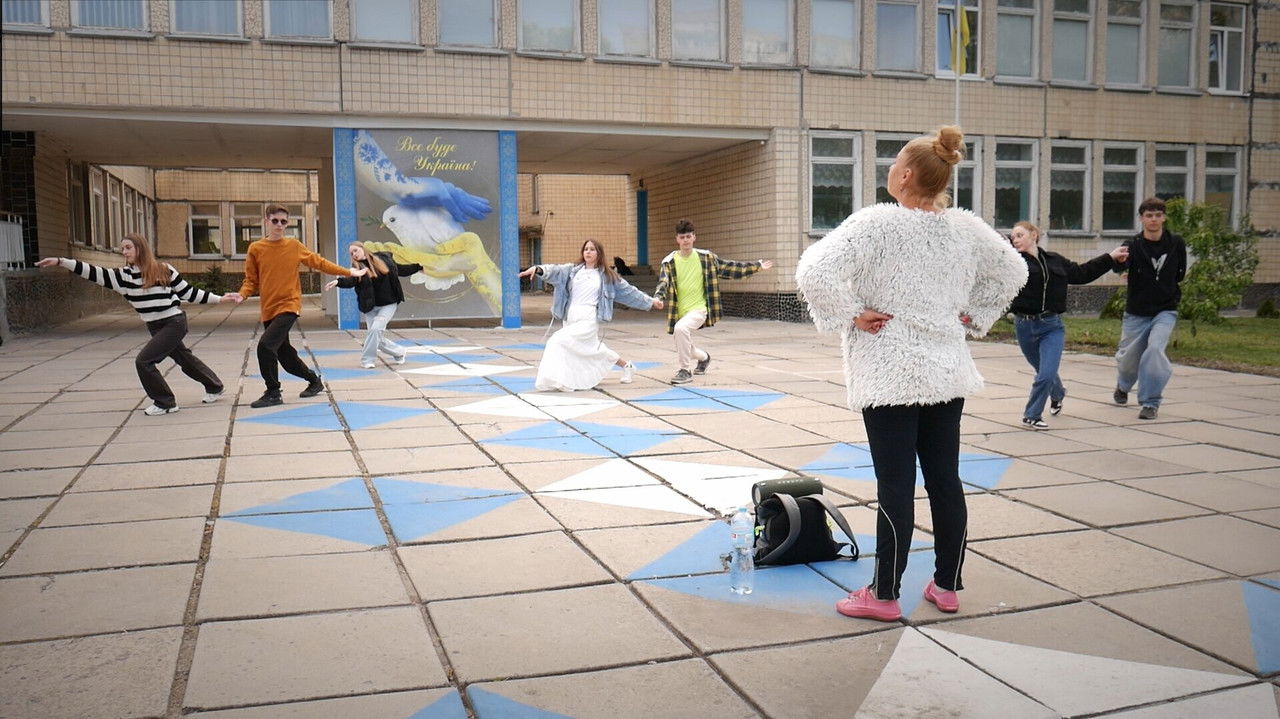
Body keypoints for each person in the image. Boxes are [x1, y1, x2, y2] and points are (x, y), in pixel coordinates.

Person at [796, 126, 1026, 621]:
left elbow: (813, 271)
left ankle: (883, 594)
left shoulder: (876, 224)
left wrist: (852, 313)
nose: (890, 169)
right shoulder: (965, 229)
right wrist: (975, 314)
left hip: (890, 373)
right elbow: (1014, 269)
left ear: (904, 175)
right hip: (946, 373)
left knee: (895, 485)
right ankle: (947, 585)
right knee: (946, 480)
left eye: (894, 162)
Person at [36, 234, 241, 416]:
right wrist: (62, 261)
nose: (124, 252)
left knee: (144, 361)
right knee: (184, 358)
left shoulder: (163, 270)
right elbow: (92, 271)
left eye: (128, 247)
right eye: (122, 248)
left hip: (174, 322)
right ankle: (215, 387)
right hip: (155, 326)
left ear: (140, 248)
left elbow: (188, 293)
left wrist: (220, 299)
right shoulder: (122, 277)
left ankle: (165, 403)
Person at [237, 204, 366, 408]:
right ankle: (314, 381)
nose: (279, 225)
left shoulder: (294, 246)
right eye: (275, 221)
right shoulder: (256, 248)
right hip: (268, 309)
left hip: (289, 305)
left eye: (283, 221)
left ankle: (273, 392)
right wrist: (242, 295)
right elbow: (251, 280)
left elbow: (319, 262)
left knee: (265, 346)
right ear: (266, 221)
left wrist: (349, 272)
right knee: (285, 356)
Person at [1009, 221, 1128, 429]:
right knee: (1044, 371)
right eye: (1013, 238)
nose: (1015, 240)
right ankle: (1058, 394)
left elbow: (1082, 273)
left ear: (1034, 235)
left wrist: (1110, 258)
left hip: (1051, 326)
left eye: (1020, 235)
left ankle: (1032, 415)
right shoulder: (1013, 263)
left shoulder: (1055, 260)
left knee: (1045, 373)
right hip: (1024, 326)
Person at [518, 239, 663, 391]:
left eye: (592, 249)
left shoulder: (608, 276)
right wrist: (538, 269)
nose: (588, 252)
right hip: (571, 317)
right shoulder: (572, 271)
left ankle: (556, 380)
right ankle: (627, 366)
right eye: (586, 249)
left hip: (589, 318)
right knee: (592, 349)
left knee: (557, 341)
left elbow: (630, 292)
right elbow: (555, 270)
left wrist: (651, 302)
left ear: (599, 253)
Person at [653, 219, 773, 384]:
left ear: (694, 237)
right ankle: (704, 358)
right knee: (684, 344)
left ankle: (685, 371)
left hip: (699, 309)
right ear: (677, 239)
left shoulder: (706, 258)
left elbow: (729, 268)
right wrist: (658, 298)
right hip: (680, 312)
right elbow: (663, 282)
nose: (686, 240)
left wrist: (756, 266)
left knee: (680, 329)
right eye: (682, 237)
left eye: (688, 236)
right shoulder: (669, 261)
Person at [1112, 197, 1187, 420]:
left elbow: (1180, 273)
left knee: (1155, 351)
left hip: (1165, 310)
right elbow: (1120, 265)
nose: (1153, 219)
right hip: (1136, 311)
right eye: (1149, 215)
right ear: (1142, 219)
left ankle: (1150, 402)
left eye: (1158, 215)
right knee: (1128, 361)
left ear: (1164, 217)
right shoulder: (1133, 244)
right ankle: (1123, 385)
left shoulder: (1176, 243)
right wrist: (1121, 265)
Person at [324, 243, 423, 369]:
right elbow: (351, 281)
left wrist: (418, 267)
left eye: (355, 250)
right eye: (351, 253)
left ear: (363, 248)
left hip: (388, 304)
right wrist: (338, 282)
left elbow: (400, 270)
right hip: (370, 307)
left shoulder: (384, 260)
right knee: (376, 337)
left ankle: (367, 360)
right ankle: (399, 352)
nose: (354, 254)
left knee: (375, 330)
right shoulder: (357, 268)